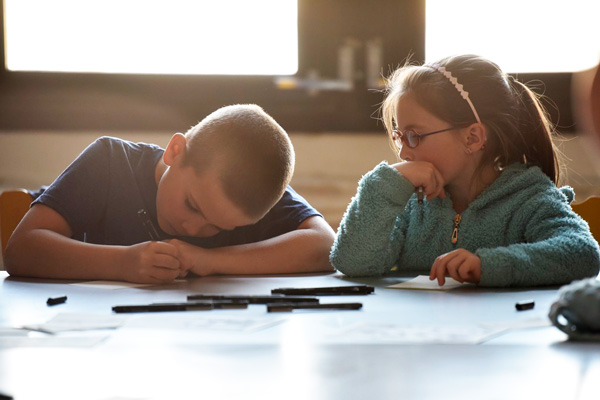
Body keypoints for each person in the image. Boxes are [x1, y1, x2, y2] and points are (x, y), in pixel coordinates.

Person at [330, 54, 600, 287]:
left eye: (414, 136)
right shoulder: (412, 202)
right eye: (400, 137)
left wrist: (488, 266)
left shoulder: (529, 198)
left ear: (472, 138)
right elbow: (352, 262)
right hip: (420, 335)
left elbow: (582, 254)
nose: (403, 153)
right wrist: (384, 185)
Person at [5, 104, 335, 283]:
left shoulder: (250, 189)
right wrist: (122, 263)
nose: (195, 230)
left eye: (219, 228)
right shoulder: (110, 162)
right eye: (192, 206)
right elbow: (22, 249)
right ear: (176, 151)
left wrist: (210, 260)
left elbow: (324, 245)